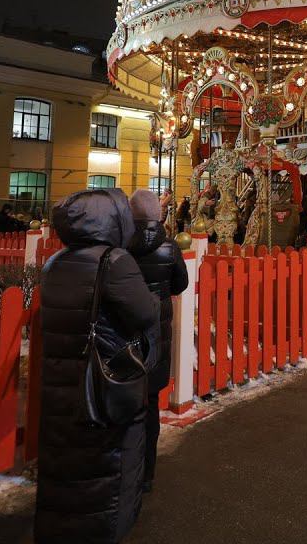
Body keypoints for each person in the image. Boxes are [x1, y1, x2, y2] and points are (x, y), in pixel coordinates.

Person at [36, 188, 159, 544]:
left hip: (62, 380)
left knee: (66, 466)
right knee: (108, 466)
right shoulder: (114, 261)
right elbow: (142, 313)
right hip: (105, 378)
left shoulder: (54, 263)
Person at [128, 190, 188, 494]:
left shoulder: (120, 246)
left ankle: (123, 468)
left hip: (125, 334)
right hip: (156, 332)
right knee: (150, 405)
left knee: (123, 402)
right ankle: (146, 473)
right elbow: (181, 283)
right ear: (159, 215)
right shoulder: (170, 247)